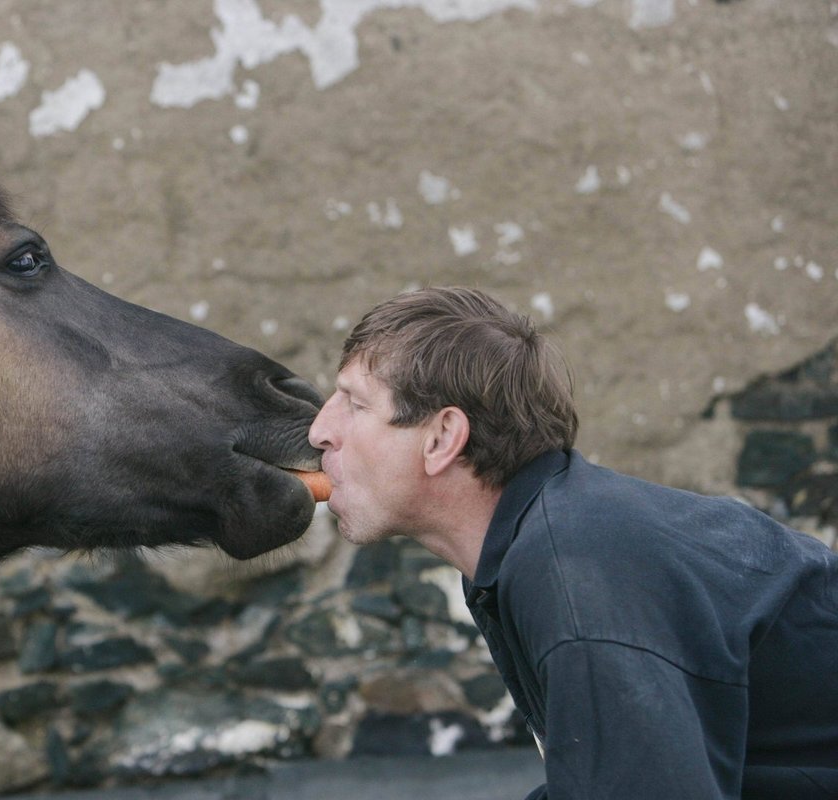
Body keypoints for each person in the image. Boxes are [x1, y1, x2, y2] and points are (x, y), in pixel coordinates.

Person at [307, 286, 838, 799]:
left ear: (443, 438)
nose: (319, 431)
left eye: (355, 403)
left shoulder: (578, 578)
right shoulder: (544, 542)